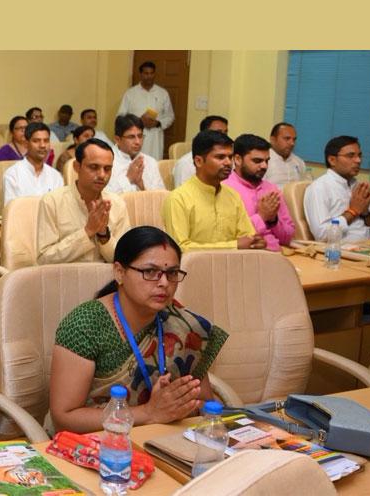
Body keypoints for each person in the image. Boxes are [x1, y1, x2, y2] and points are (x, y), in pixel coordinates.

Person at [49, 226, 228, 431]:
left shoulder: (186, 324)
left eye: (172, 273)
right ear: (119, 272)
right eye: (150, 272)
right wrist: (148, 413)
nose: (164, 283)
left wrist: (181, 407)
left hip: (165, 441)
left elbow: (204, 402)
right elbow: (64, 417)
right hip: (98, 445)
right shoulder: (85, 324)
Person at [163, 131, 264, 251]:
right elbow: (180, 248)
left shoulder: (233, 196)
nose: (228, 163)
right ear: (199, 161)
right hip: (194, 268)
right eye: (220, 157)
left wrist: (254, 243)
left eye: (230, 157)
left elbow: (247, 237)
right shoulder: (178, 198)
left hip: (232, 266)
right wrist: (234, 246)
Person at [37, 139, 130, 264]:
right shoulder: (52, 201)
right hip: (64, 280)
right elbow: (44, 259)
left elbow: (124, 260)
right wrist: (88, 231)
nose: (102, 175)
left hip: (106, 280)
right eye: (94, 167)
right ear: (77, 167)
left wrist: (104, 236)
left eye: (107, 169)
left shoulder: (117, 204)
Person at [304, 135, 370, 243]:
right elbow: (323, 235)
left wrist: (366, 213)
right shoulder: (319, 188)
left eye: (359, 155)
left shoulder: (358, 186)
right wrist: (353, 211)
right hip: (340, 253)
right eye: (350, 155)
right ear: (332, 160)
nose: (358, 160)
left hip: (367, 247)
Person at [222, 134, 295, 252]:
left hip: (276, 255)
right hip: (243, 258)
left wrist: (273, 220)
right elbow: (227, 238)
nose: (264, 166)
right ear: (238, 159)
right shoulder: (224, 189)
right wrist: (262, 217)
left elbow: (287, 237)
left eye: (267, 161)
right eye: (257, 161)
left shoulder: (271, 190)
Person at [117, 61, 176, 160]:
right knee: (135, 164)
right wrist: (138, 122)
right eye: (146, 73)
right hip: (135, 137)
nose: (149, 76)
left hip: (155, 138)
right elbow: (120, 116)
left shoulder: (162, 93)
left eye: (151, 73)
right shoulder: (130, 93)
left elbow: (170, 116)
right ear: (141, 74)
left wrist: (158, 123)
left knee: (155, 165)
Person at [2, 123, 64, 206]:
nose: (42, 145)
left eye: (46, 141)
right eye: (36, 141)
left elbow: (59, 208)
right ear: (26, 144)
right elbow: (11, 211)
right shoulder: (13, 174)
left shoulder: (56, 176)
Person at [106, 114, 166, 194]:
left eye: (140, 136)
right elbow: (104, 196)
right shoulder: (106, 161)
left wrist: (141, 186)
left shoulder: (150, 162)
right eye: (131, 137)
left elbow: (161, 196)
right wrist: (128, 179)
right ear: (117, 139)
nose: (138, 142)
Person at [172, 115, 229, 187]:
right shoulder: (186, 164)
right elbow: (182, 195)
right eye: (218, 133)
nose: (224, 137)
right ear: (204, 134)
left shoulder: (228, 161)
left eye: (225, 133)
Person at [264, 122, 308, 187]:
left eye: (294, 139)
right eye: (287, 138)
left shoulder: (299, 162)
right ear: (273, 140)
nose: (292, 143)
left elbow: (304, 186)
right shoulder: (263, 161)